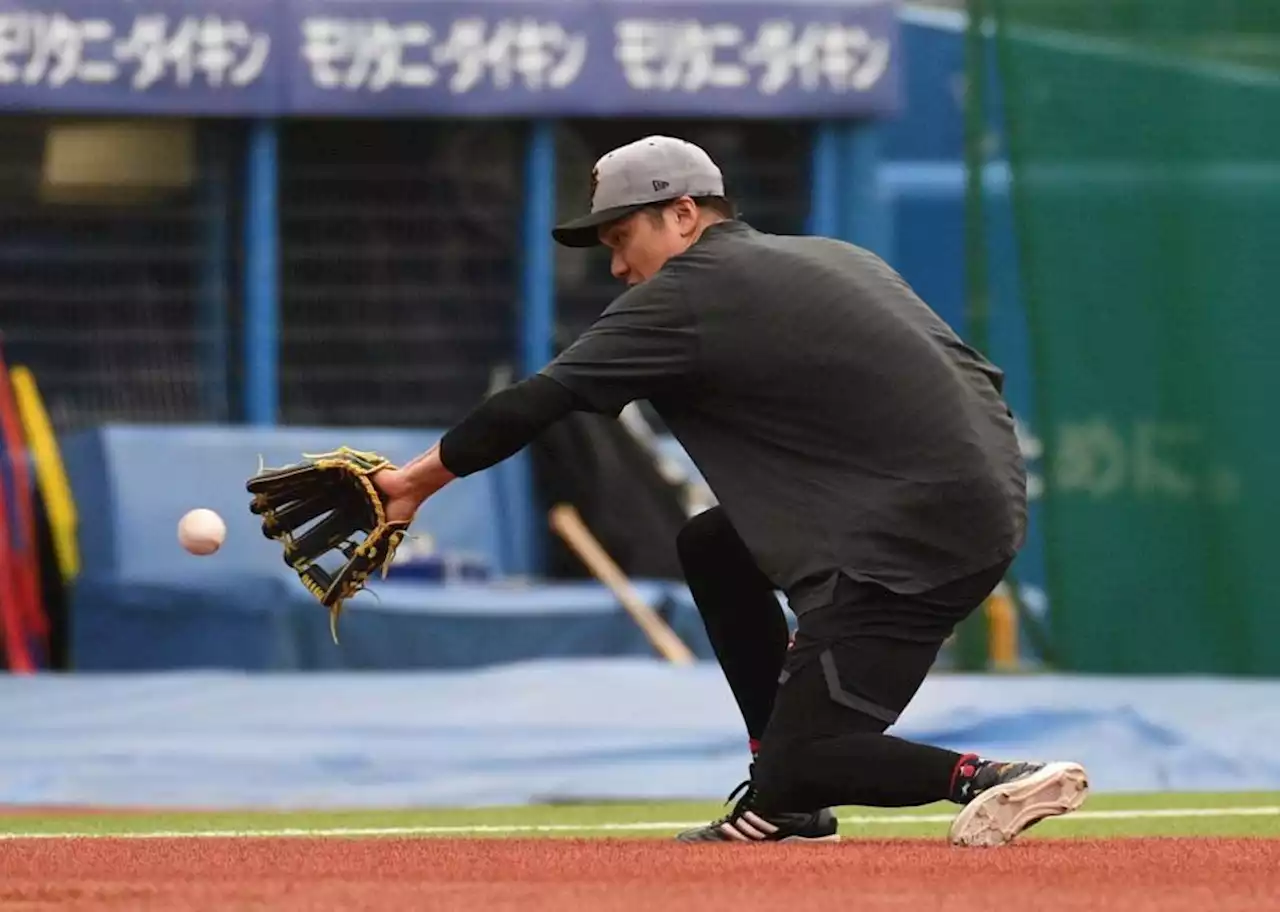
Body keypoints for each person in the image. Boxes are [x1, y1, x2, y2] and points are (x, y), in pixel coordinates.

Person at [371, 135, 1089, 846]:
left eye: (623, 238)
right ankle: (782, 800)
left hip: (903, 533)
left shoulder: (687, 294)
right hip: (962, 497)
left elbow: (534, 401)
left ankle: (989, 777)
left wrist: (412, 484)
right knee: (714, 544)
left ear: (684, 214)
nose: (618, 265)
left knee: (808, 759)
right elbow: (967, 376)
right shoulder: (834, 255)